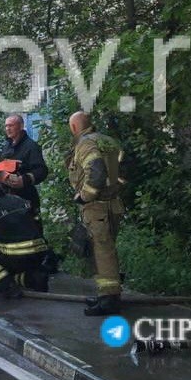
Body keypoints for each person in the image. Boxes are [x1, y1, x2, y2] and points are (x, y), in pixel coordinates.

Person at [68, 111, 127, 316]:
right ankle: (108, 294)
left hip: (97, 207)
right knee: (107, 251)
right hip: (114, 204)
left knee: (101, 251)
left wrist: (85, 196)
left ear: (75, 127)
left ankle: (109, 300)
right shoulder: (109, 141)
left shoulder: (85, 143)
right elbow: (122, 172)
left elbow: (96, 170)